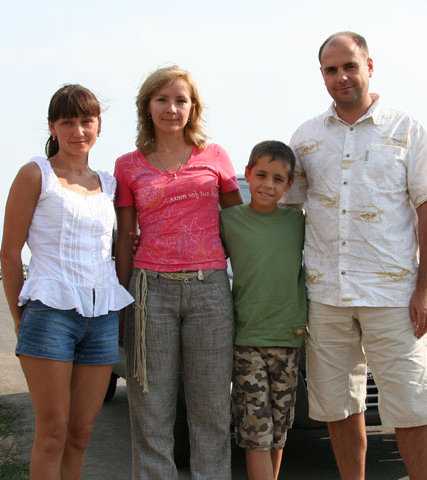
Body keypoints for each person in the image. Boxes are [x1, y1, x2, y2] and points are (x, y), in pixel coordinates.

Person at [280, 32, 427, 480]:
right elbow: (285, 210)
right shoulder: (306, 137)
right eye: (331, 70)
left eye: (350, 66)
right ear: (322, 75)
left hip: (393, 296)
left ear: (369, 67)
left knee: (413, 407)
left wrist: (426, 289)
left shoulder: (405, 128)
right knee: (339, 407)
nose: (341, 77)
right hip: (326, 296)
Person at [113, 65, 243, 480]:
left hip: (210, 291)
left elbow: (239, 224)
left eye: (180, 100)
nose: (172, 108)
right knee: (150, 408)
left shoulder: (215, 156)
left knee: (211, 409)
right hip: (150, 292)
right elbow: (125, 237)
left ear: (193, 107)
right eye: (162, 99)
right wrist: (122, 302)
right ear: (147, 107)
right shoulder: (127, 166)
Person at [0, 84, 134, 480]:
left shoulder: (108, 183)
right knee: (53, 433)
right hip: (50, 314)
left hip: (102, 317)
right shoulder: (35, 174)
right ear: (52, 127)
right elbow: (9, 254)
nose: (78, 131)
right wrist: (19, 316)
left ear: (99, 126)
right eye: (67, 122)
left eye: (86, 121)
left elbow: (121, 245)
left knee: (80, 433)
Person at [220, 140, 306, 480]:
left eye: (278, 179)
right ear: (247, 173)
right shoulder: (229, 220)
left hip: (289, 339)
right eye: (261, 175)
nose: (268, 185)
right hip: (247, 340)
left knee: (278, 432)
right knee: (256, 433)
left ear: (289, 184)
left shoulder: (298, 223)